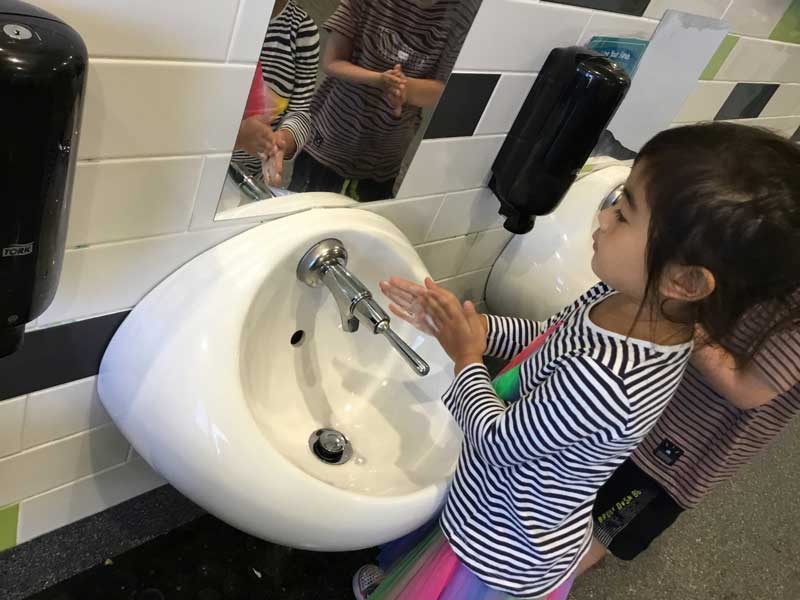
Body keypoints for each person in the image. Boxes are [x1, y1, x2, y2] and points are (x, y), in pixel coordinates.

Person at [352, 122, 800, 600]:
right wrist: (482, 330)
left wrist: (466, 356)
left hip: (501, 546)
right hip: (496, 501)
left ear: (685, 282)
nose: (603, 216)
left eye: (624, 214)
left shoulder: (610, 377)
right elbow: (549, 339)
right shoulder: (627, 297)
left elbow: (496, 441)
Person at [576, 127, 800, 575]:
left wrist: (677, 316)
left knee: (595, 531)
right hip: (652, 405)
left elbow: (748, 390)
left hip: (678, 449)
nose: (606, 220)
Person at [289, 0, 478, 202]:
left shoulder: (463, 12)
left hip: (386, 153)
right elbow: (332, 62)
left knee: (364, 222)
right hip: (331, 136)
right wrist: (379, 80)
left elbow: (445, 89)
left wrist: (403, 88)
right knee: (302, 213)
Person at [232, 0, 320, 187]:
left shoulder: (302, 31)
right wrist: (237, 134)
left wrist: (280, 141)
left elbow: (300, 111)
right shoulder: (220, 14)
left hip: (246, 177)